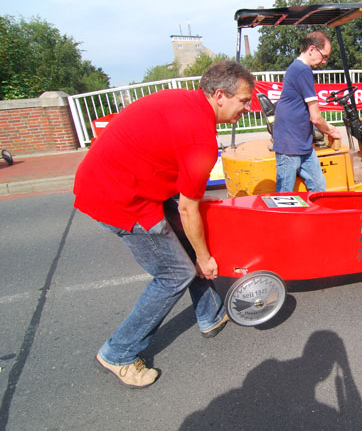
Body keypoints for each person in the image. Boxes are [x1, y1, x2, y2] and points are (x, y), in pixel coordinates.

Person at [73, 61, 255, 388]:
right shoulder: (201, 139)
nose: (247, 107)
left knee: (186, 242)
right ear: (219, 95)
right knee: (176, 272)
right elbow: (188, 208)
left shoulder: (186, 101)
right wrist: (204, 258)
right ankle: (119, 353)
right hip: (121, 199)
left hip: (119, 181)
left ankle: (210, 315)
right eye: (243, 100)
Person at [273, 31, 342, 192]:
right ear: (312, 49)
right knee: (284, 195)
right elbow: (316, 117)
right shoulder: (302, 70)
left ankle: (313, 216)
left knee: (319, 186)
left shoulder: (297, 69)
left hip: (302, 144)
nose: (324, 62)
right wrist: (333, 131)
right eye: (324, 56)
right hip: (290, 146)